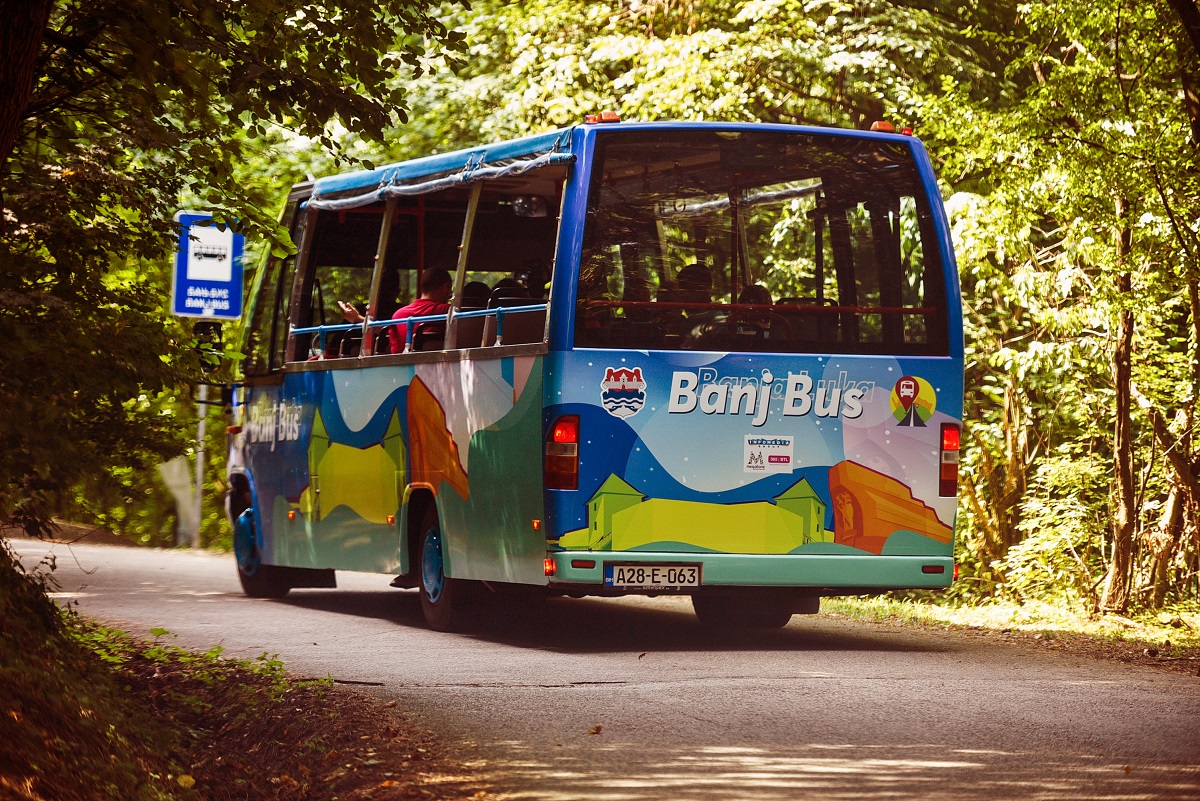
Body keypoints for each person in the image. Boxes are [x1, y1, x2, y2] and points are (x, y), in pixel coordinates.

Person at [339, 267, 453, 354]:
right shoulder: (448, 313)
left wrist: (357, 319)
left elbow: (382, 329)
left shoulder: (399, 315)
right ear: (445, 288)